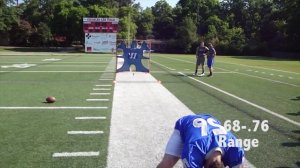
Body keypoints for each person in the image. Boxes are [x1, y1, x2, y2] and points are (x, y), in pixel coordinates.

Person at [157, 114, 245, 168]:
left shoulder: (235, 148)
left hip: (208, 126)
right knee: (167, 163)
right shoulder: (193, 151)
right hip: (186, 124)